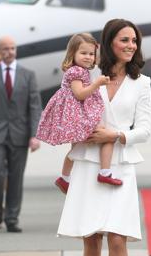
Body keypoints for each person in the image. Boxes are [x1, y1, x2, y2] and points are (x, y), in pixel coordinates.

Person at [57, 19, 151, 256]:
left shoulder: (142, 82)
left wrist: (115, 135)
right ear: (109, 42)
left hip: (119, 165)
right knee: (91, 239)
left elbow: (144, 130)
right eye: (124, 40)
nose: (131, 45)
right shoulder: (86, 72)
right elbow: (68, 105)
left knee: (118, 239)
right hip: (87, 163)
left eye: (134, 41)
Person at [36, 33, 121, 194]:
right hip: (77, 113)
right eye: (83, 53)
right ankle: (104, 172)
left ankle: (65, 178)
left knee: (76, 149)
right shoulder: (76, 72)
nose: (88, 57)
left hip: (77, 111)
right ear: (72, 53)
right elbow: (80, 94)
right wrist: (97, 83)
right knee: (107, 135)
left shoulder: (81, 70)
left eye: (91, 54)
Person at [0, 36, 42, 233]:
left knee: (16, 177)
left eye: (12, 48)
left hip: (20, 134)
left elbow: (34, 107)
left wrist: (35, 135)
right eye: (5, 49)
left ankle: (12, 218)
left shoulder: (28, 75)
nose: (9, 52)